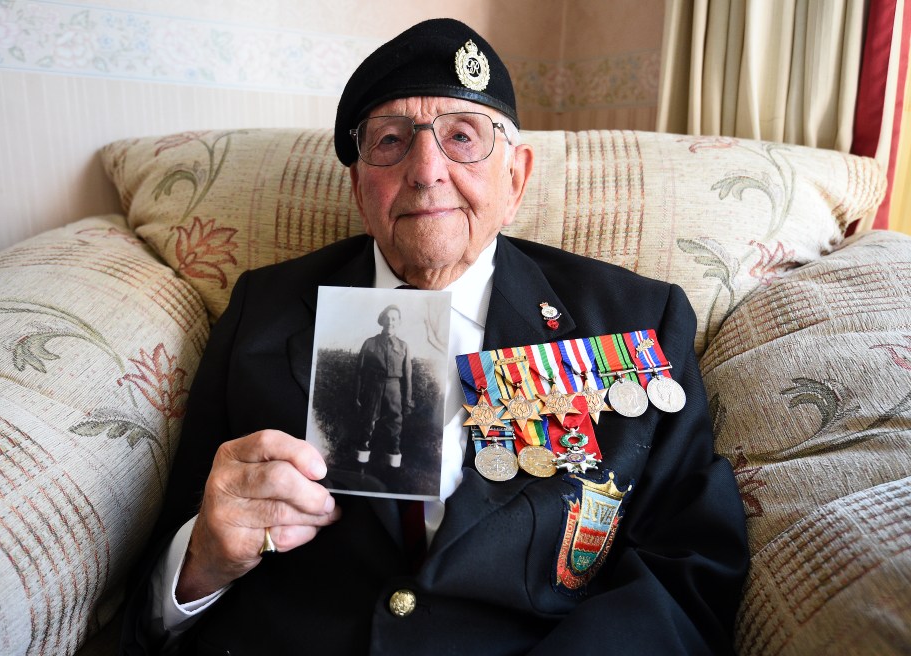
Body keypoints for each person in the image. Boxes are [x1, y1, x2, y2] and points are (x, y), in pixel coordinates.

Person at [120, 18, 748, 655]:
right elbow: (160, 576)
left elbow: (688, 572)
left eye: (462, 137)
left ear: (516, 178)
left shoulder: (639, 318)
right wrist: (198, 563)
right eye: (391, 140)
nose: (427, 170)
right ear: (359, 187)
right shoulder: (263, 310)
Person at [355, 304, 413, 468]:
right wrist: (356, 395)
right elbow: (359, 372)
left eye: (394, 319)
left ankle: (392, 467)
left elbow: (407, 376)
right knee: (367, 423)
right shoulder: (370, 343)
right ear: (382, 321)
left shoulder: (403, 346)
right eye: (387, 318)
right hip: (373, 388)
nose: (390, 322)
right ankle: (361, 466)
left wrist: (407, 401)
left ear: (399, 322)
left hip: (394, 389)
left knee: (395, 425)